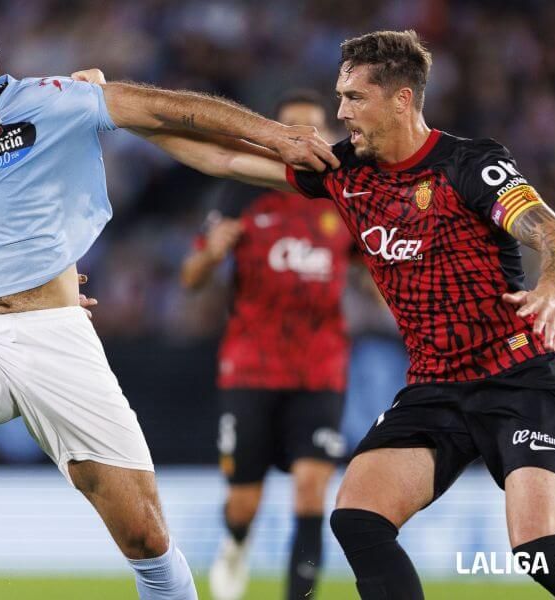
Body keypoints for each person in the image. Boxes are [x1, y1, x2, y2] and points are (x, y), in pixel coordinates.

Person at [79, 28, 555, 599]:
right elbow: (221, 157)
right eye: (340, 96)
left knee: (542, 554)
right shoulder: (342, 171)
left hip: (519, 380)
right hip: (436, 388)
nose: (340, 112)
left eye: (354, 98)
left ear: (401, 99)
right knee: (357, 516)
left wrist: (551, 289)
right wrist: (116, 111)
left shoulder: (471, 165)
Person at [0, 15, 336, 600]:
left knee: (146, 537)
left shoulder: (53, 103)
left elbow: (172, 112)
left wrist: (279, 137)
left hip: (57, 337)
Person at [178, 90, 351, 600]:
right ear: (275, 136)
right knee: (244, 504)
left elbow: (377, 264)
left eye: (312, 129)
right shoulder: (240, 195)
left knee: (311, 488)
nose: (302, 139)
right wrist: (212, 254)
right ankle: (235, 545)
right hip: (251, 368)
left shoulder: (343, 200)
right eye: (291, 129)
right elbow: (190, 278)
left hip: (320, 367)